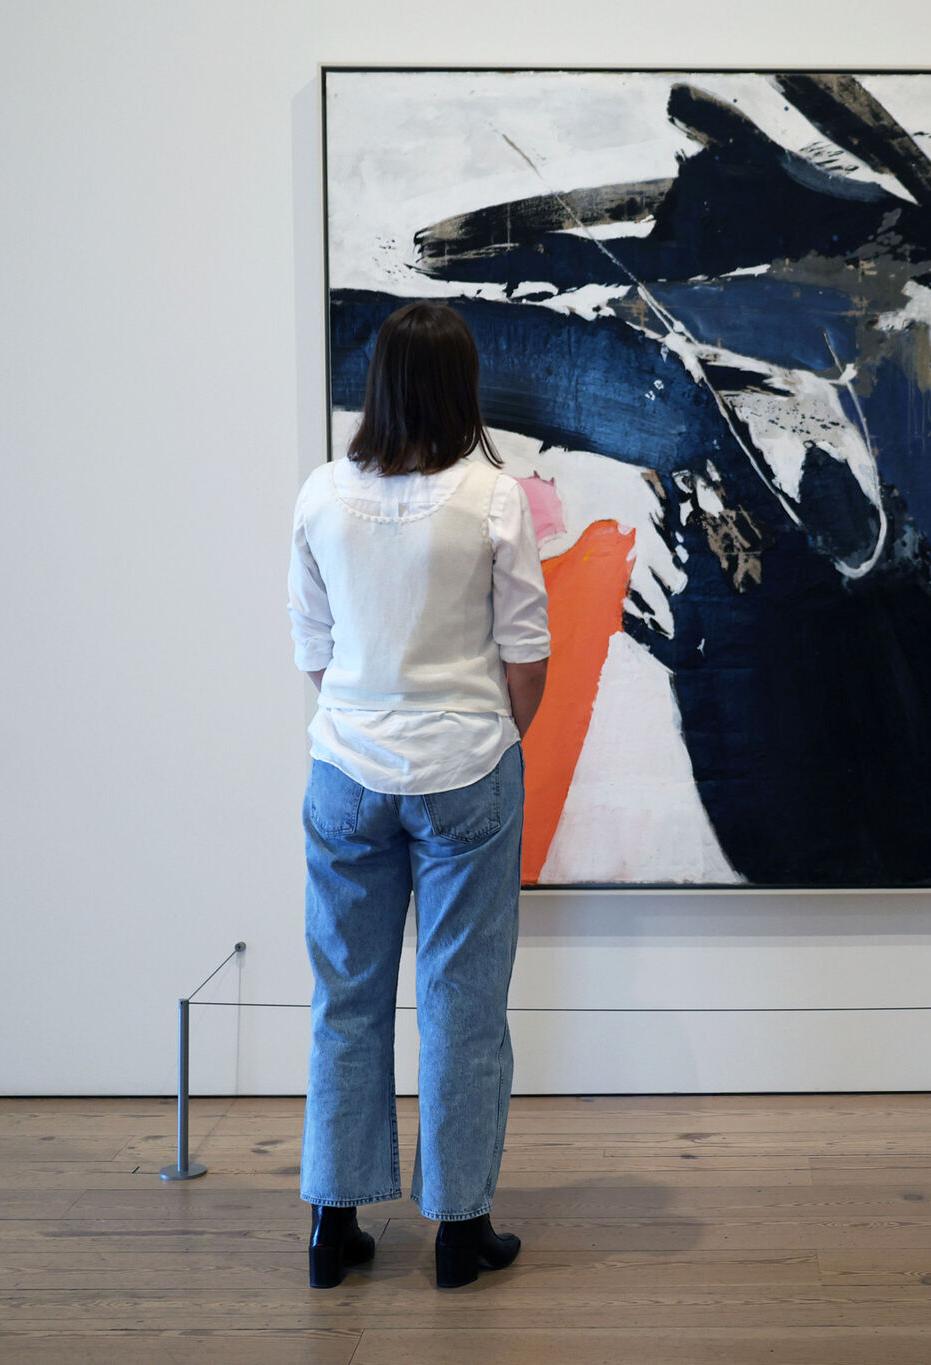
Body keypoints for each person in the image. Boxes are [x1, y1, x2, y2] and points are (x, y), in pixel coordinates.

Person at [287, 301, 550, 1290]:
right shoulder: (493, 498)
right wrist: (485, 737)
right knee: (462, 1008)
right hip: (464, 773)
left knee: (344, 1004)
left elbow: (312, 647)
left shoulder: (319, 494)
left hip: (343, 771)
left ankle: (332, 1224)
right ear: (460, 386)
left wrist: (366, 722)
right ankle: (458, 1231)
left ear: (379, 381)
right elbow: (526, 653)